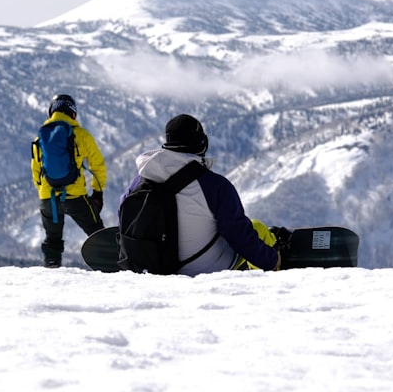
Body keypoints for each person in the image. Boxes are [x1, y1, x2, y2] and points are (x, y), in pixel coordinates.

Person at [122, 113, 283, 275]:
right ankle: (271, 274)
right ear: (202, 143)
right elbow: (239, 234)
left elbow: (125, 216)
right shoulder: (215, 186)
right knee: (256, 227)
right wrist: (271, 258)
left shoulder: (140, 180)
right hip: (205, 271)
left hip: (155, 269)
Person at [31, 94, 107, 268]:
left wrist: (44, 192)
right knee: (97, 232)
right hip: (75, 196)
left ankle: (52, 264)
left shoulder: (40, 138)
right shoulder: (81, 135)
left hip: (48, 197)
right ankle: (110, 263)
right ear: (73, 113)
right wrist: (98, 191)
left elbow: (35, 171)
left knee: (52, 237)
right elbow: (98, 166)